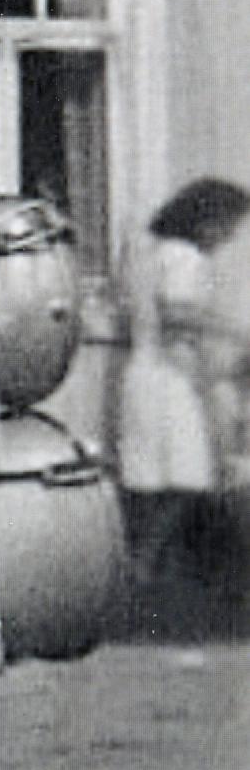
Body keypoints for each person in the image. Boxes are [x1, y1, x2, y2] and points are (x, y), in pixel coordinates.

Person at [113, 174, 247, 606]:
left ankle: (146, 572)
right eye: (228, 226)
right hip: (168, 377)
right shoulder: (184, 256)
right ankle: (141, 568)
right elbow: (176, 314)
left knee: (159, 481)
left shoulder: (155, 252)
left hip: (147, 372)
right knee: (185, 478)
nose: (228, 238)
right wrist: (233, 329)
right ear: (205, 221)